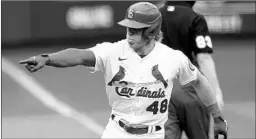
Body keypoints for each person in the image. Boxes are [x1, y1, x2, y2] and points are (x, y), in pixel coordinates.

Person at [19, 2, 227, 139]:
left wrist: (217, 118)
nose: (129, 34)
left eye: (136, 30)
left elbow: (200, 82)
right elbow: (80, 55)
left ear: (152, 32)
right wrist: (47, 59)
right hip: (116, 132)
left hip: (153, 135)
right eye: (129, 28)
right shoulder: (112, 51)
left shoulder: (173, 59)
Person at [159, 1, 225, 139]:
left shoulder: (154, 16)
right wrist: (216, 92)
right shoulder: (195, 18)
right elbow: (203, 58)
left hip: (162, 89)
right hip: (191, 89)